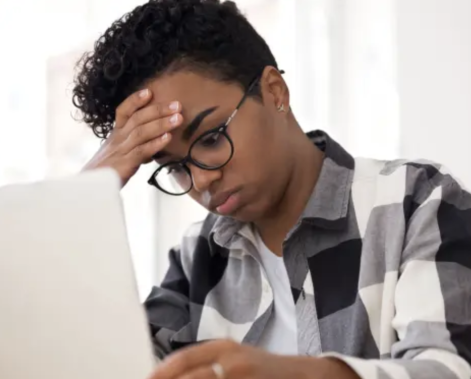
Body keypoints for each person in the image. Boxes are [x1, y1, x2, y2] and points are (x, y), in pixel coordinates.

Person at [72, 1, 471, 378]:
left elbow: (446, 369)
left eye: (210, 138)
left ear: (274, 92)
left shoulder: (416, 202)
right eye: (176, 167)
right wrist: (86, 195)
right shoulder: (200, 256)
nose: (201, 180)